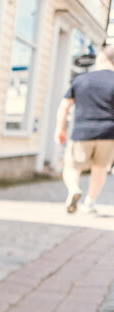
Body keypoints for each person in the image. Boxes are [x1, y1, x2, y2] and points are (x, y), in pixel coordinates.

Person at [54, 44, 114, 214]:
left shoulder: (82, 79)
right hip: (109, 133)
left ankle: (74, 189)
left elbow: (64, 106)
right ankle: (90, 203)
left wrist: (60, 129)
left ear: (102, 59)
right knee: (99, 168)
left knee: (72, 166)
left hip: (83, 131)